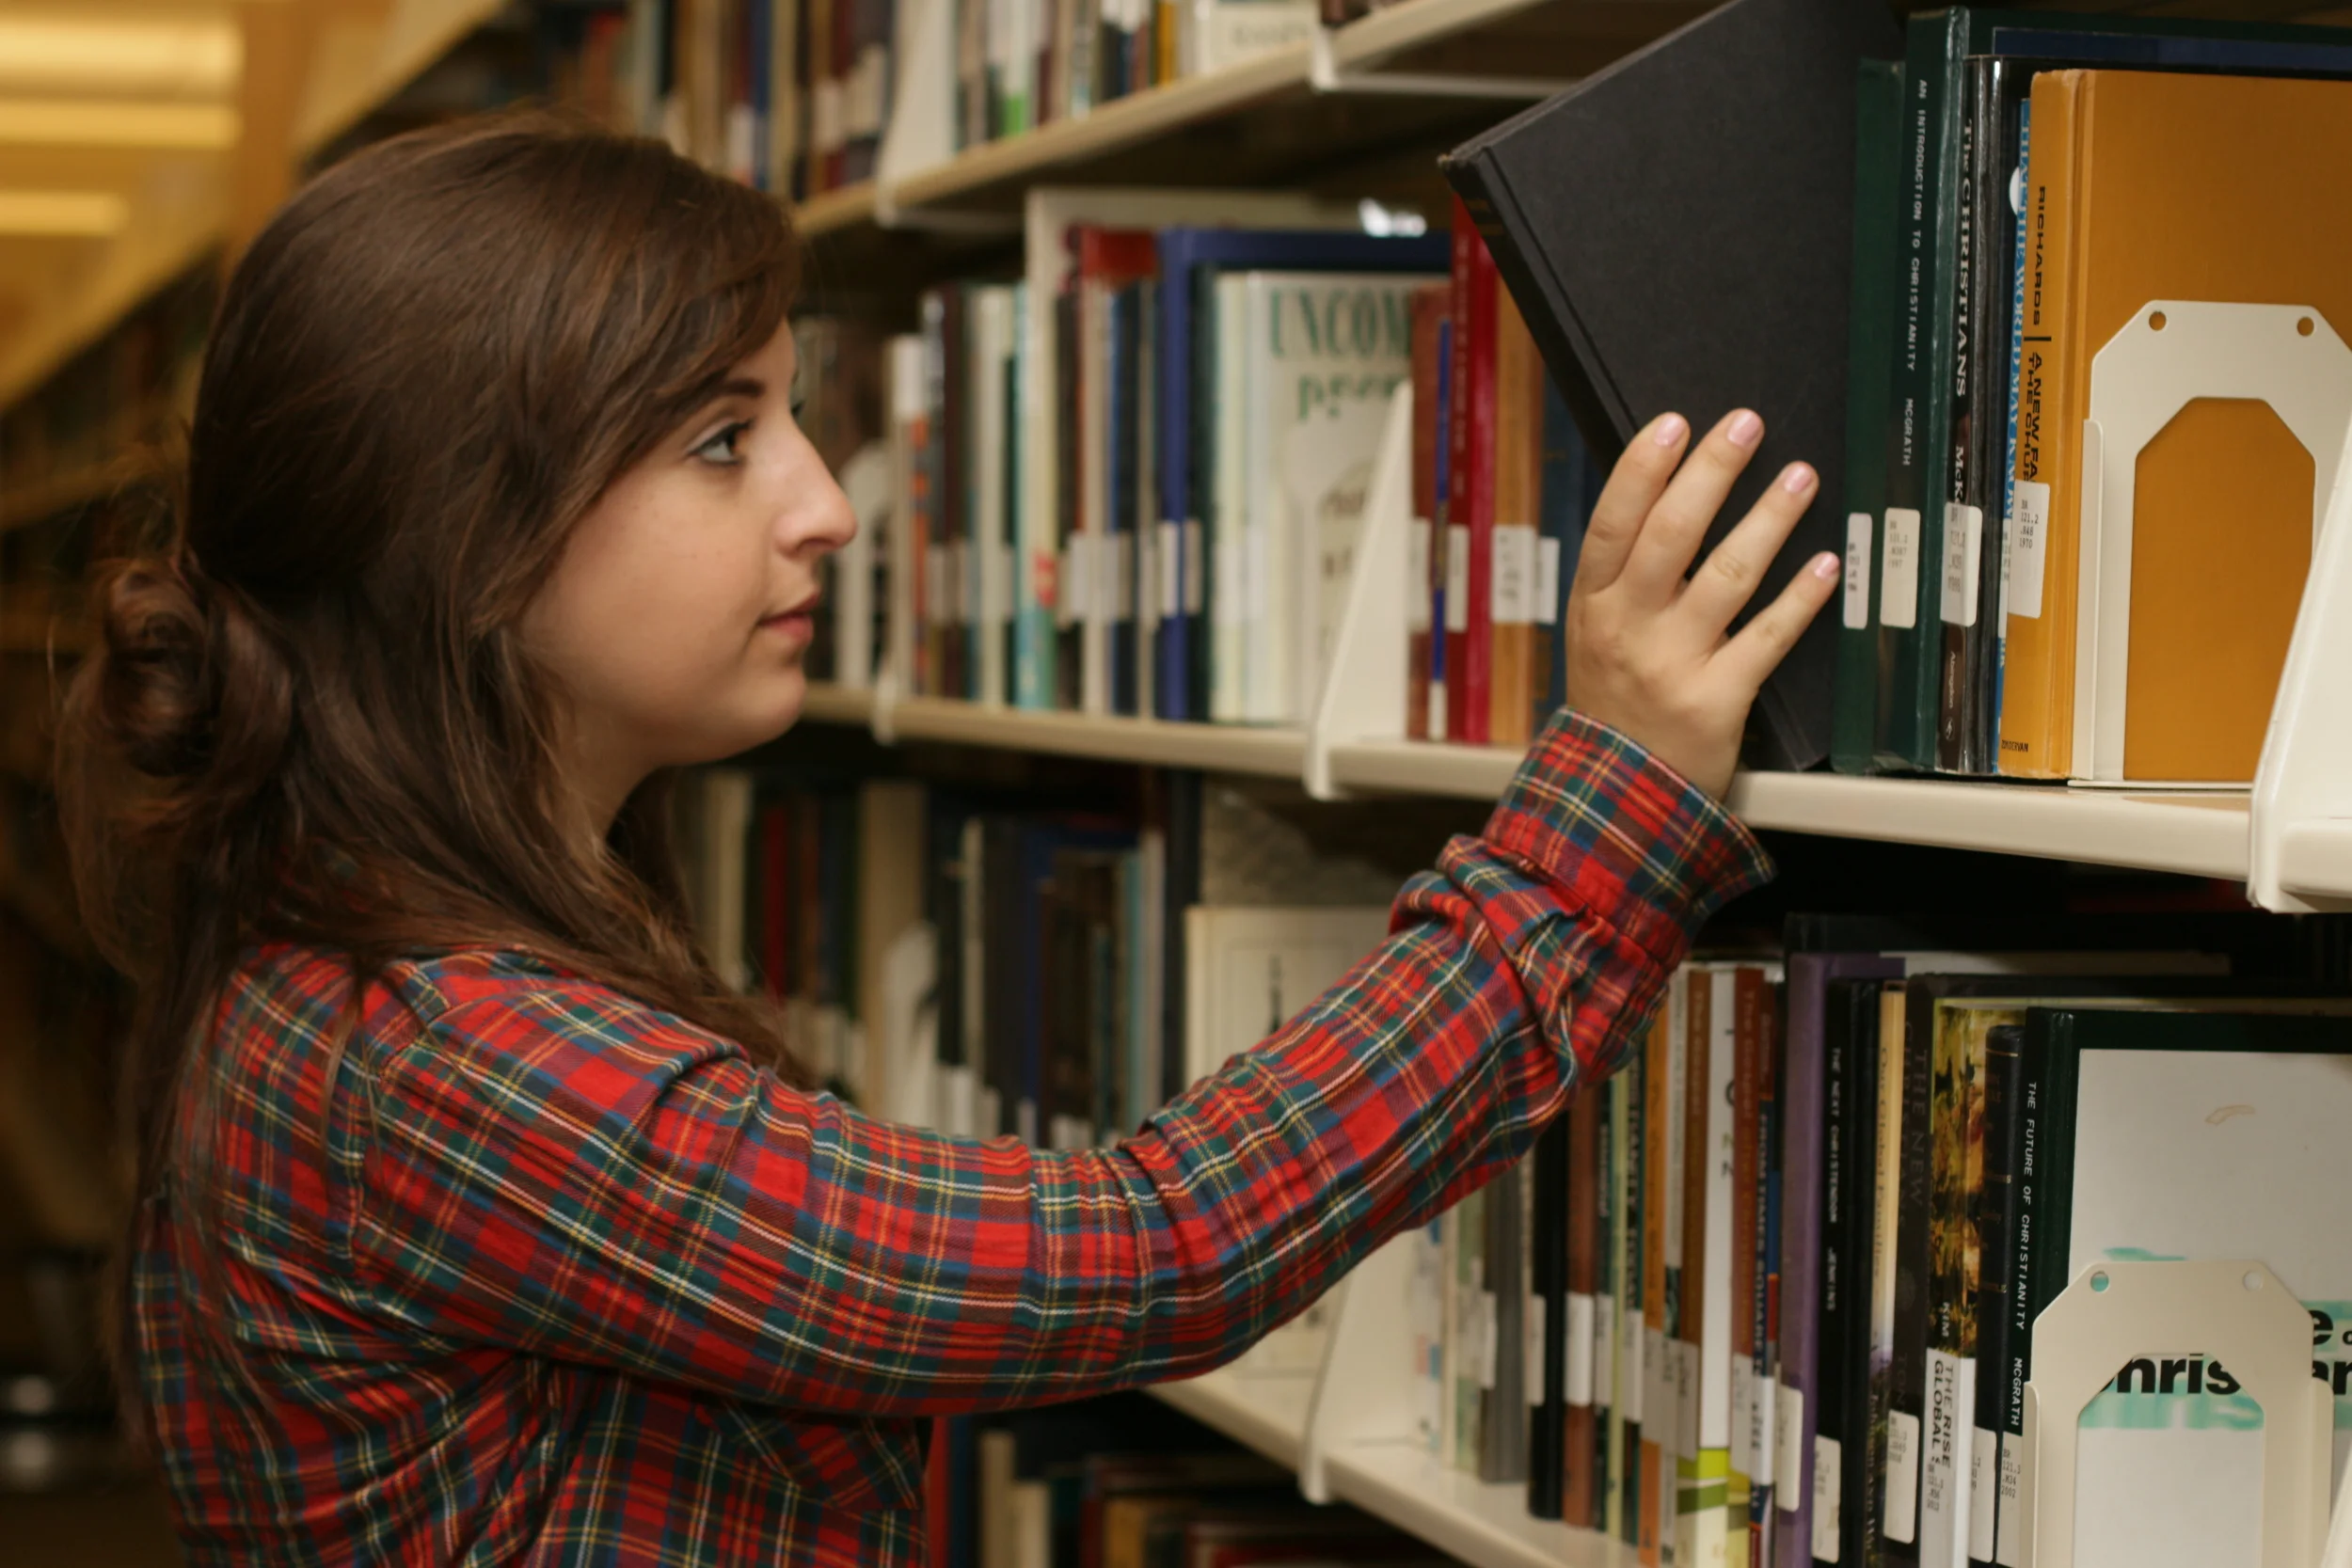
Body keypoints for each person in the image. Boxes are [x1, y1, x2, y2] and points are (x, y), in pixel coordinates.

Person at [56, 109, 1840, 1563]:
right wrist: (1599, 807)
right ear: (470, 535)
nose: (828, 504)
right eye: (719, 440)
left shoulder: (328, 930)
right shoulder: (451, 1064)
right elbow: (1153, 1253)